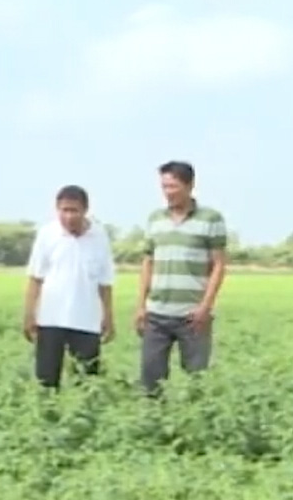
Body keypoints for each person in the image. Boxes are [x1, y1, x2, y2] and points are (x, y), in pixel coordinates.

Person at [136, 160, 228, 393]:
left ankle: (194, 426)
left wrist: (205, 307)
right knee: (151, 381)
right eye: (164, 187)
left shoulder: (210, 219)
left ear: (190, 185)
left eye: (173, 186)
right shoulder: (155, 219)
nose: (168, 192)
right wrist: (141, 306)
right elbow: (148, 263)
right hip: (157, 314)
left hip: (192, 316)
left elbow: (218, 265)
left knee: (196, 381)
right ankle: (154, 424)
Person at [23, 185, 116, 388]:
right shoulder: (47, 234)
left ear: (85, 210)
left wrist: (108, 317)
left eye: (74, 210)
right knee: (46, 381)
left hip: (87, 322)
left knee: (86, 382)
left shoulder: (99, 236)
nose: (68, 216)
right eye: (64, 210)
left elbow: (105, 282)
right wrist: (29, 315)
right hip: (50, 320)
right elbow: (35, 278)